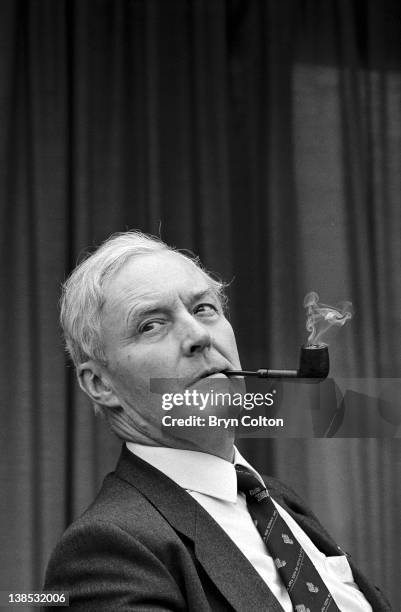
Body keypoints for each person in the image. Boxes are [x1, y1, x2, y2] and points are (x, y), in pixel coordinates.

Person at [43, 231, 391, 611]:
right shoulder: (106, 551)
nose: (198, 336)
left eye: (204, 309)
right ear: (101, 384)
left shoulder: (278, 501)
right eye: (151, 325)